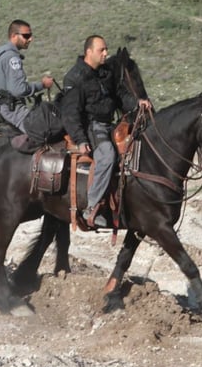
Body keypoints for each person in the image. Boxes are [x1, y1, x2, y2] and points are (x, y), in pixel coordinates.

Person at [61, 35, 152, 230]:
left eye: (106, 49)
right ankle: (92, 208)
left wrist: (138, 103)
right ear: (89, 52)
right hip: (91, 127)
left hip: (109, 125)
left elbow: (120, 96)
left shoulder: (104, 73)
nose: (105, 53)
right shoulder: (75, 77)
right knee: (108, 156)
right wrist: (80, 139)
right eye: (101, 50)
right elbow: (70, 113)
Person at [0, 19, 54, 132]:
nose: (30, 39)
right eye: (26, 36)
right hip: (11, 109)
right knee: (43, 132)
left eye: (30, 35)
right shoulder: (12, 58)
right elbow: (18, 90)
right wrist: (42, 85)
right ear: (14, 36)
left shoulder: (1, 51)